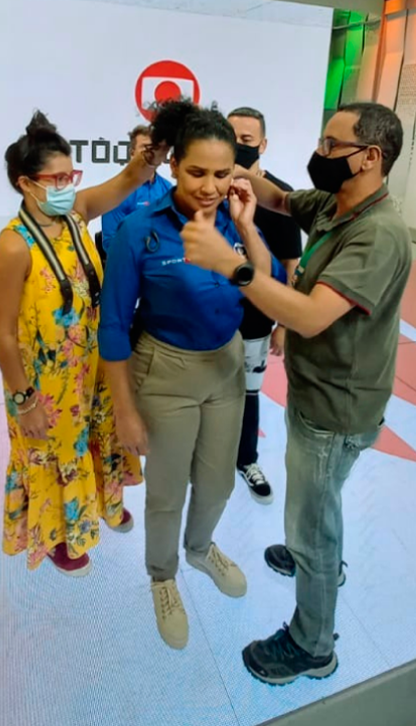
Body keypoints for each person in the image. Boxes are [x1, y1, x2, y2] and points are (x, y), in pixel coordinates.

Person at [181, 101, 410, 685]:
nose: (321, 155)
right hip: (321, 393)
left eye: (333, 146)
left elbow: (309, 318)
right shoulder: (338, 206)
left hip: (338, 407)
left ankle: (312, 644)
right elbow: (280, 198)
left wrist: (231, 263)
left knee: (313, 519)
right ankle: (318, 557)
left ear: (370, 157)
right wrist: (230, 167)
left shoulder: (378, 235)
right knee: (321, 499)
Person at [99, 99, 287, 650]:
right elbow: (113, 326)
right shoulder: (141, 229)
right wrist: (125, 411)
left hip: (226, 364)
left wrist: (249, 224)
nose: (209, 186)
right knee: (166, 490)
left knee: (218, 479)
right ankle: (163, 576)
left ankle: (201, 549)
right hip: (166, 370)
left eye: (222, 173)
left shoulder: (235, 217)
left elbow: (270, 281)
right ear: (174, 164)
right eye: (197, 172)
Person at [0, 111, 155, 578]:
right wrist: (25, 401)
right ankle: (59, 537)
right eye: (56, 178)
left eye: (70, 175)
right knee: (56, 455)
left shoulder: (76, 214)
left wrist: (153, 152)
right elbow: (1, 332)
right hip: (41, 383)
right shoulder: (13, 247)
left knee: (97, 435)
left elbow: (128, 178)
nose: (66, 185)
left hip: (90, 366)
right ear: (26, 184)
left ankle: (103, 502)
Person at [227, 107, 302, 504]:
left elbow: (291, 267)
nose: (237, 147)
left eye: (247, 141)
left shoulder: (278, 199)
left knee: (248, 393)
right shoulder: (210, 191)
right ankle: (204, 460)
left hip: (255, 321)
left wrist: (284, 325)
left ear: (264, 145)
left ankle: (246, 459)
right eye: (231, 137)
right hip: (210, 320)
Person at [99, 124, 174, 258]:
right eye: (145, 147)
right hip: (129, 265)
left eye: (155, 148)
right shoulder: (116, 192)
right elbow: (110, 243)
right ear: (132, 153)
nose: (151, 152)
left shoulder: (168, 188)